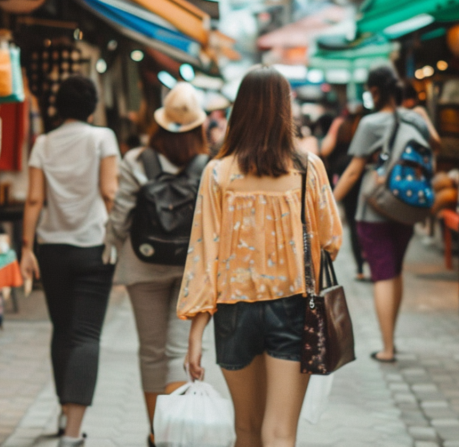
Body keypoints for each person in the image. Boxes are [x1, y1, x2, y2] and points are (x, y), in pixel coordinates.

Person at [180, 66, 343, 447]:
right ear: (285, 111)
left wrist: (195, 334)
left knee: (247, 430)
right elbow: (332, 240)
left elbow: (203, 257)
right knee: (280, 433)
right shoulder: (308, 168)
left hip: (233, 311)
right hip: (293, 305)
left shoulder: (218, 173)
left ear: (241, 111)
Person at [105, 83, 208, 447]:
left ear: (159, 124)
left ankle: (156, 432)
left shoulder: (136, 160)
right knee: (179, 350)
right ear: (199, 127)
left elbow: (121, 212)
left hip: (142, 262)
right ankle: (176, 432)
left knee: (150, 351)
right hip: (190, 269)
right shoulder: (208, 165)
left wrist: (111, 245)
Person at [21, 76, 119, 447]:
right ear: (92, 107)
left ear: (58, 107)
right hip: (94, 247)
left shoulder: (43, 143)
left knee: (62, 329)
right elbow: (110, 192)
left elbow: (34, 200)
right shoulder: (102, 138)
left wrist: (26, 248)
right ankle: (72, 433)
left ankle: (65, 414)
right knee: (86, 334)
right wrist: (119, 239)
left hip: (52, 250)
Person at [332, 66, 439, 363]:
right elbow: (437, 145)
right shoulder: (414, 118)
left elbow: (353, 171)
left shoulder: (370, 123)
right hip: (407, 206)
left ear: (375, 91)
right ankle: (392, 339)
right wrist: (424, 116)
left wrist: (328, 202)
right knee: (396, 272)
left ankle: (387, 348)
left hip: (376, 208)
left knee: (382, 275)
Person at [320, 105, 369, 281]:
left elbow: (325, 150)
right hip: (363, 180)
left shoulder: (342, 126)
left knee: (354, 223)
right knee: (362, 221)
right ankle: (367, 262)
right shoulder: (366, 127)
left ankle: (360, 268)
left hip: (344, 178)